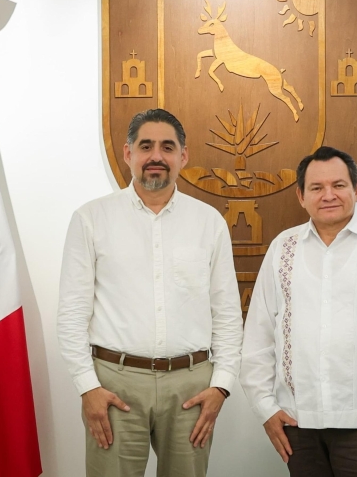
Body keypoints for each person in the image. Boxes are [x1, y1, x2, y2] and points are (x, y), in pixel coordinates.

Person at [58, 109, 243, 477]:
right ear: (128, 154)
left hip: (191, 385)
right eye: (146, 146)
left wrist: (221, 387)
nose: (156, 156)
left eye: (167, 147)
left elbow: (226, 313)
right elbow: (72, 313)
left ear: (183, 156)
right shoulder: (91, 219)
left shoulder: (209, 222)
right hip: (114, 383)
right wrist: (87, 387)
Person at [239, 146, 357, 477]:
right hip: (298, 424)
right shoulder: (282, 249)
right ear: (301, 196)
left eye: (338, 185)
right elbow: (258, 335)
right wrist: (265, 408)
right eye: (316, 187)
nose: (328, 195)